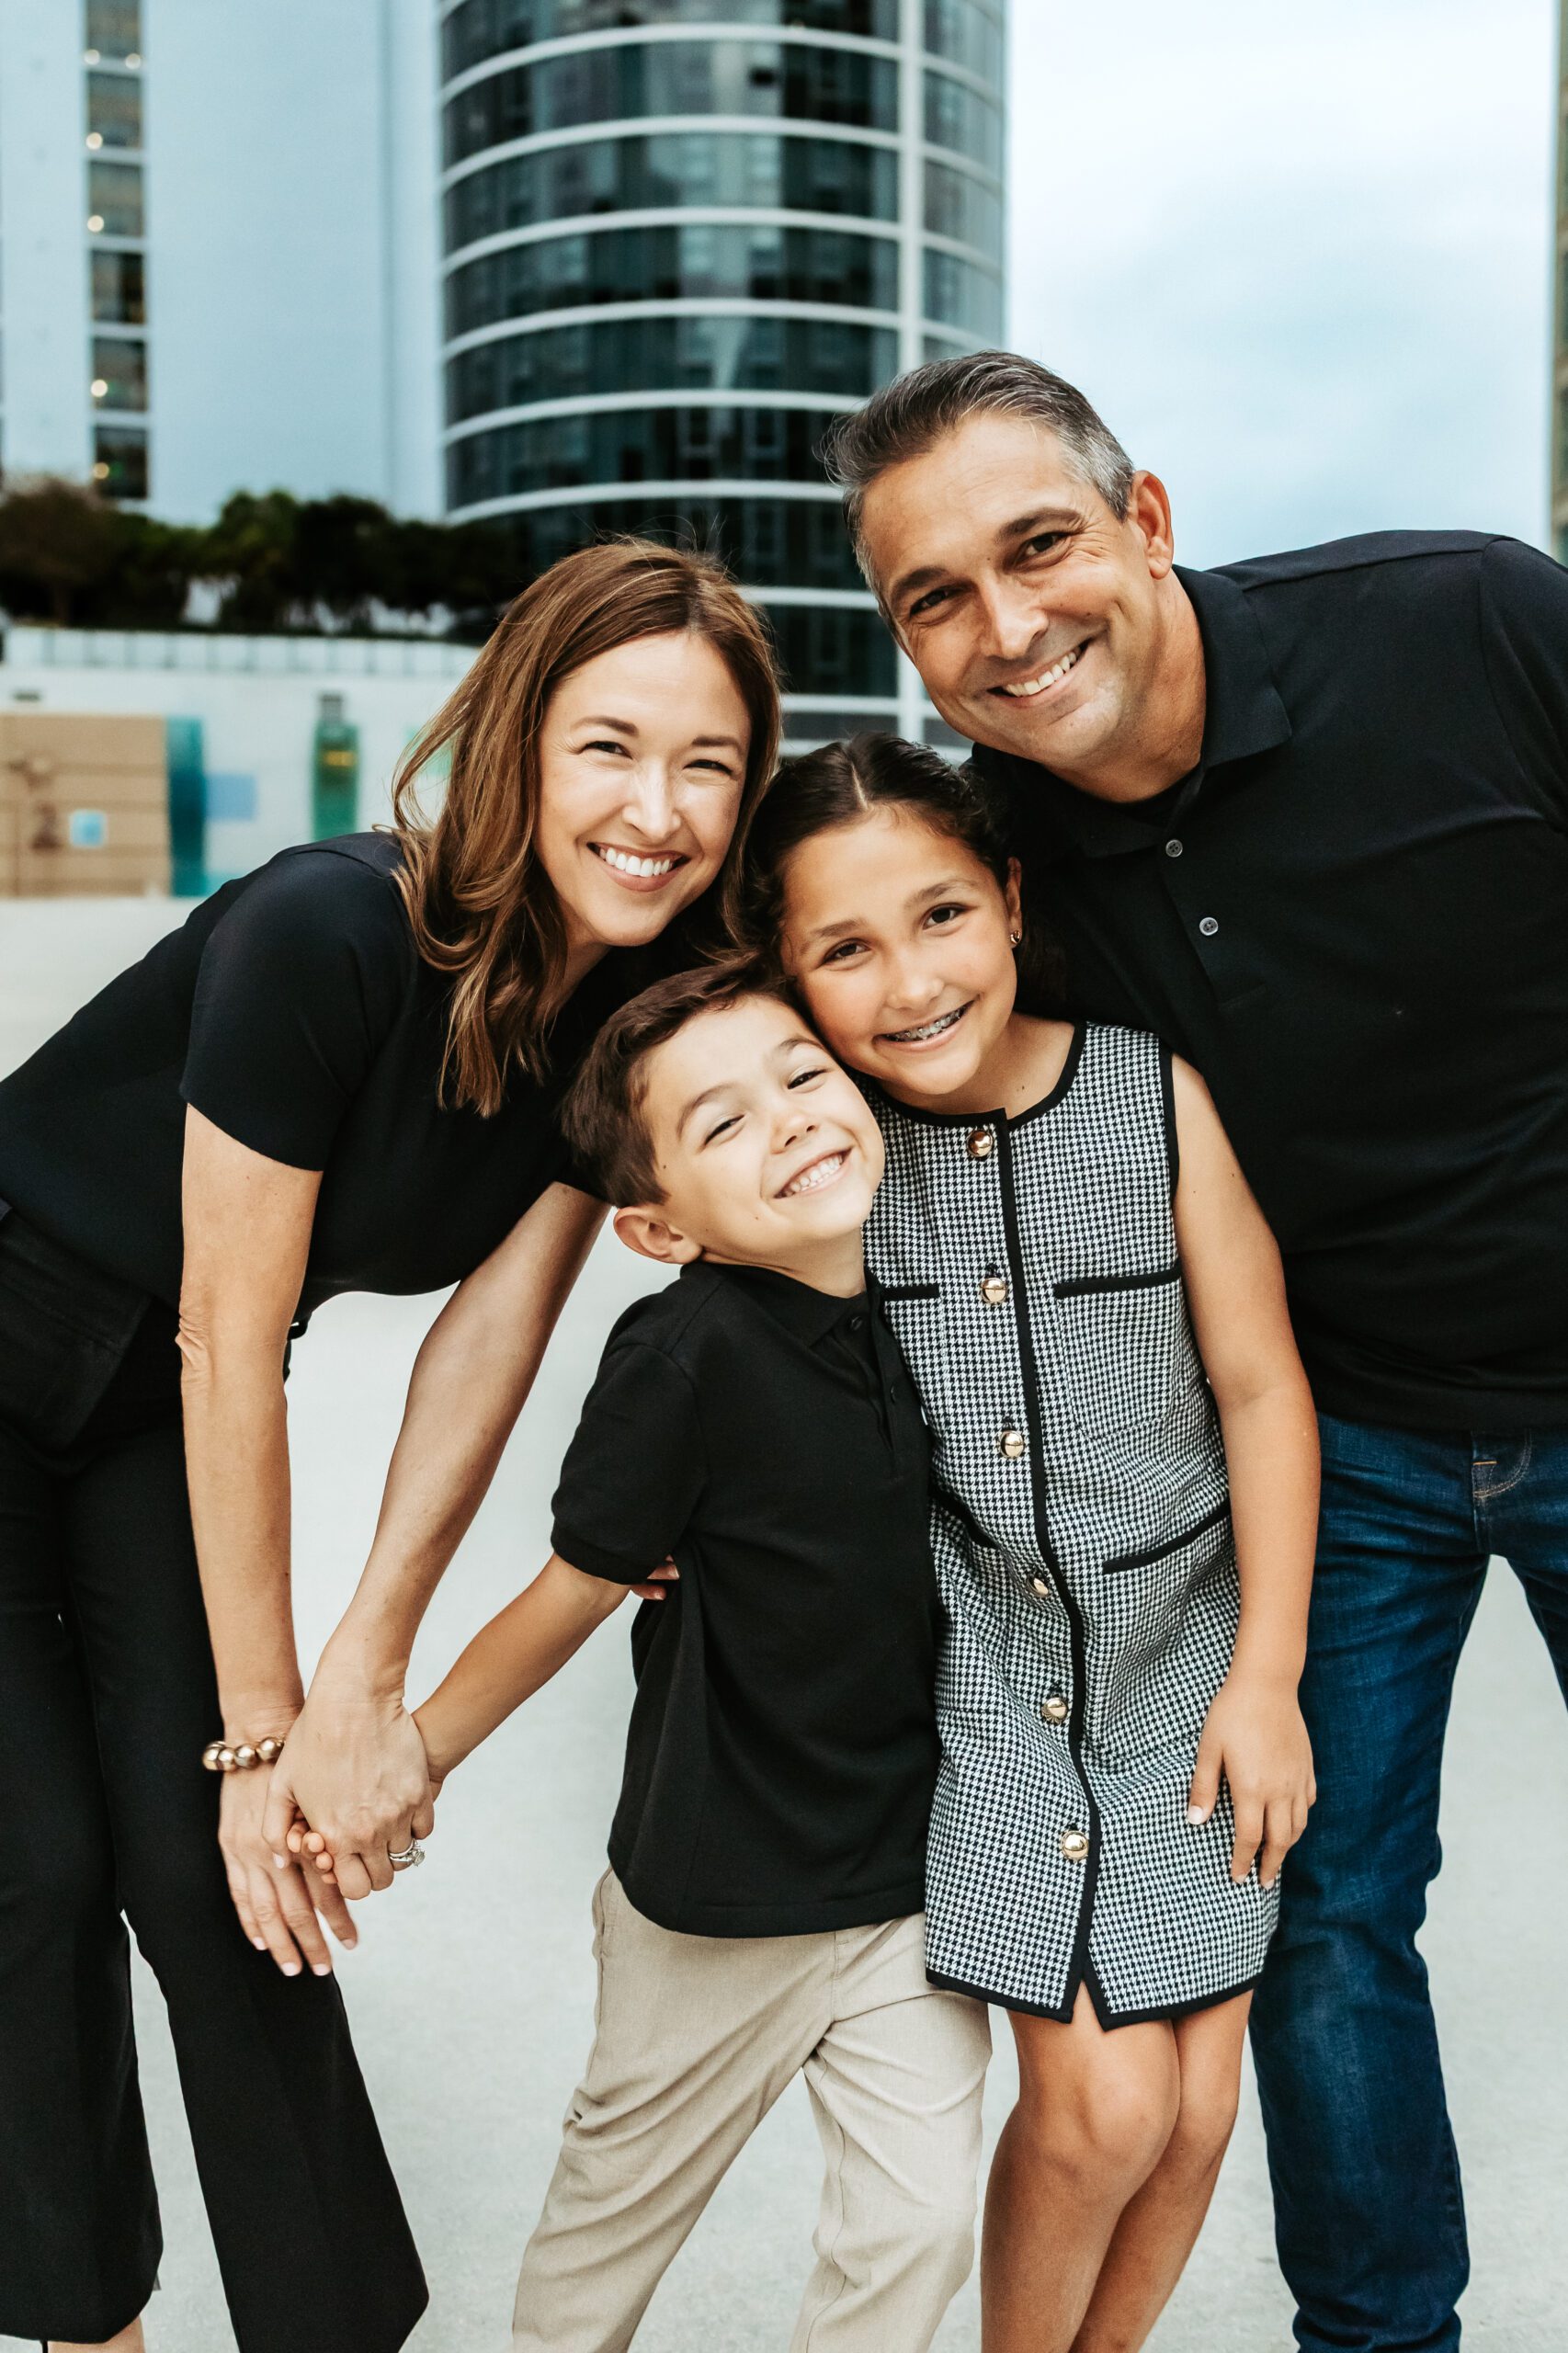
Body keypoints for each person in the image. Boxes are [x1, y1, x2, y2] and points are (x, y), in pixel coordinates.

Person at [819, 349, 1568, 2353]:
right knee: (1321, 1913)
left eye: (1038, 544)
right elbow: (803, 1056)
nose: (1004, 627)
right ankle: (1378, 2338)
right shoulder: (991, 862)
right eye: (935, 598)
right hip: (1347, 1435)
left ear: (1147, 517)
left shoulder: (1477, 619)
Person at [0, 540, 778, 2353]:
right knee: (32, 1868)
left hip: (133, 1409)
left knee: (222, 1871)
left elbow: (485, 1336)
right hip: (69, 1343)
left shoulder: (624, 1020)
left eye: (708, 762)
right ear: (517, 737)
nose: (656, 807)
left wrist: (363, 1675)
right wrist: (272, 1714)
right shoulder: (329, 927)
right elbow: (225, 1333)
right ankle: (81, 2325)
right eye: (609, 744)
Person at [742, 733, 1318, 2353]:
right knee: (1098, 2110)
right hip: (985, 1682)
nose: (907, 980)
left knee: (1198, 2114)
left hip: (1191, 1665)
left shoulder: (1149, 1096)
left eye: (937, 917)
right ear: (788, 976)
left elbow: (1262, 1390)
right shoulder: (825, 1152)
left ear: (1007, 900)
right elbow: (739, 1364)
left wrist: (1265, 1675)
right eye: (841, 950)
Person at [386, 962, 992, 2352]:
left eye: (800, 1077)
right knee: (614, 2226)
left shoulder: (942, 1296)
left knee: (912, 2228)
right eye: (720, 1125)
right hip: (712, 1889)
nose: (786, 1123)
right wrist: (412, 1754)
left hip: (910, 1874)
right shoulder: (679, 1356)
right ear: (655, 1227)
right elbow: (574, 1591)